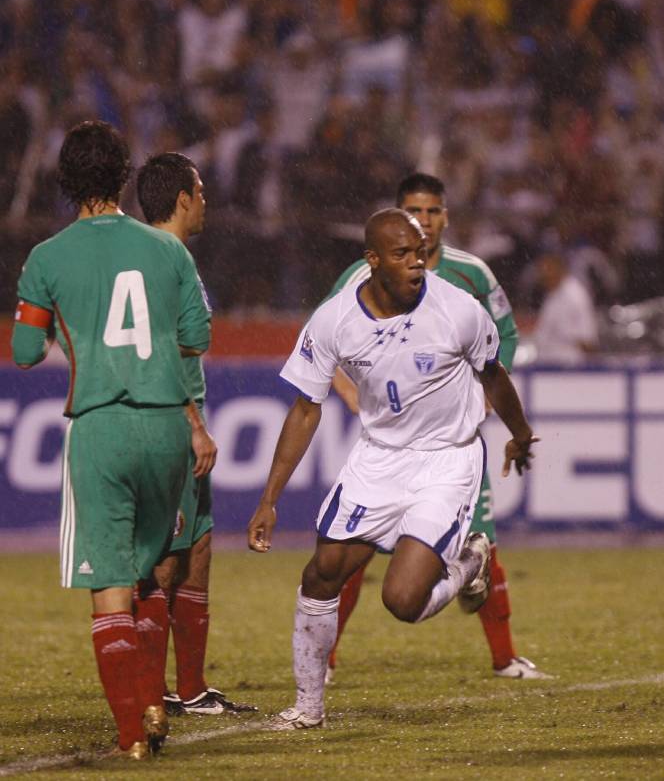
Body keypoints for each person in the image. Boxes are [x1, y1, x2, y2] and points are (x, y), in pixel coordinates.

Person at [246, 208, 539, 730]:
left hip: (446, 460)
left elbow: (493, 378)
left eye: (422, 252)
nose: (418, 264)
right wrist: (269, 498)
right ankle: (308, 709)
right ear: (373, 261)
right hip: (378, 458)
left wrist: (518, 435)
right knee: (321, 574)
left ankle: (470, 564)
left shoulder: (460, 310)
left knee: (402, 601)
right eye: (403, 254)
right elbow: (306, 408)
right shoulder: (335, 318)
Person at [11, 121, 215, 759]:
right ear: (124, 176)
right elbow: (195, 340)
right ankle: (154, 701)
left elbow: (24, 351)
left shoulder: (47, 257)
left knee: (110, 586)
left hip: (101, 425)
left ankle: (133, 736)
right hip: (165, 428)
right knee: (156, 572)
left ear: (65, 181)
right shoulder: (168, 250)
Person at [324, 172, 549, 681]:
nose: (423, 222)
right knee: (353, 552)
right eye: (413, 212)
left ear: (446, 216)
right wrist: (351, 394)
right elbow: (327, 341)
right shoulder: (363, 274)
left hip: (452, 444)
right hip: (388, 447)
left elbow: (503, 336)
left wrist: (492, 396)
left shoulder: (472, 274)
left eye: (432, 212)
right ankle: (327, 657)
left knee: (480, 542)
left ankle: (504, 657)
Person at [135, 152, 256, 717]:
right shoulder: (158, 261)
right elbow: (160, 351)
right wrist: (192, 425)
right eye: (201, 192)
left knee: (198, 548)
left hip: (187, 421)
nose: (206, 201)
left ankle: (191, 688)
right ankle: (151, 691)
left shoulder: (174, 256)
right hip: (169, 423)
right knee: (164, 558)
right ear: (182, 199)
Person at [531, 250, 599, 366]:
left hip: (568, 369)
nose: (543, 275)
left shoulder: (575, 295)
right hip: (546, 365)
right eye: (541, 271)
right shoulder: (552, 294)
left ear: (560, 269)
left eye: (548, 269)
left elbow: (588, 340)